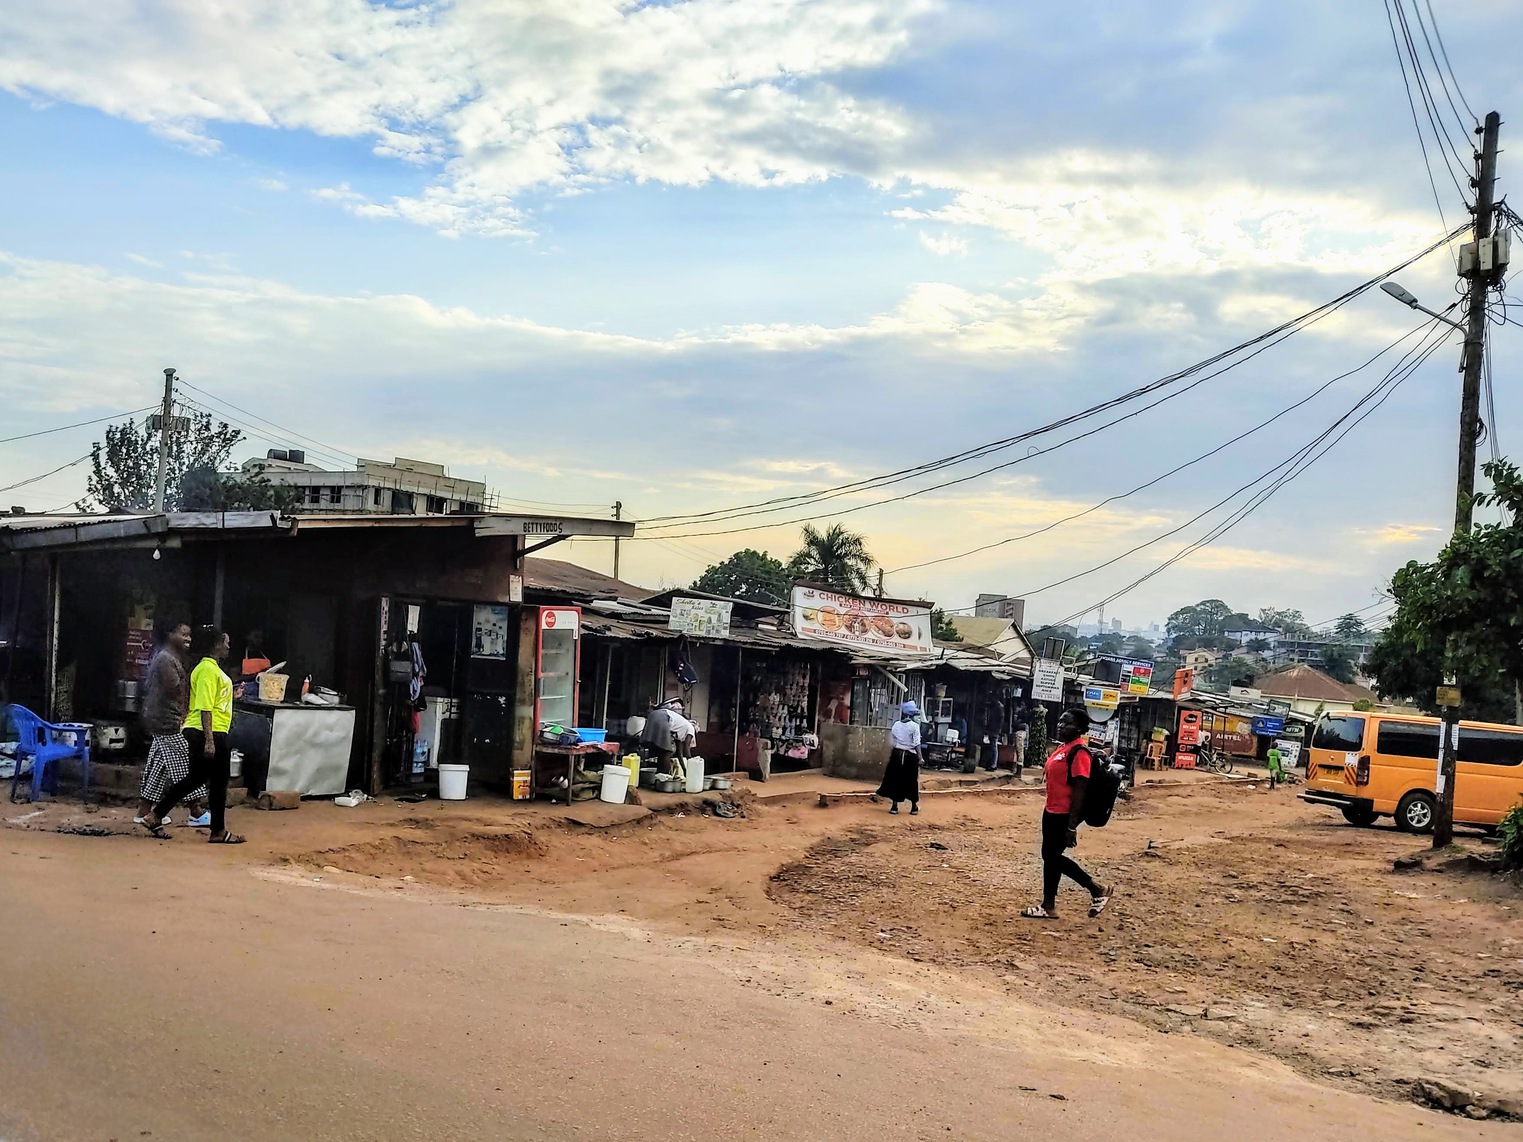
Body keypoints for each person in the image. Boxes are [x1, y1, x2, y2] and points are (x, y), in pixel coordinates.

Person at [144, 626, 244, 844]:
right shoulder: (208, 669)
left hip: (201, 730)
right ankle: (218, 831)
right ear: (216, 645)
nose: (228, 645)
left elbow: (197, 699)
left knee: (195, 779)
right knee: (217, 783)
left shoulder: (205, 668)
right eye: (225, 641)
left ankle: (155, 815)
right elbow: (206, 707)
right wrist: (210, 740)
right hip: (209, 731)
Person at [1022, 706, 1112, 920]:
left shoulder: (1079, 751)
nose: (1061, 726)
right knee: (1050, 857)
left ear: (1080, 728)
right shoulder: (1064, 747)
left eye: (1068, 723)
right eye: (1061, 721)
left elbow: (1080, 788)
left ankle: (1096, 889)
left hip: (1064, 814)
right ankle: (1048, 905)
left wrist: (1072, 825)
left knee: (1051, 856)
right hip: (1051, 810)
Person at [134, 618, 209, 830]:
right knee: (184, 762)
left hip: (160, 717)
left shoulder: (168, 656)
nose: (188, 639)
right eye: (183, 634)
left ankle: (143, 810)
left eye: (189, 635)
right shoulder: (166, 659)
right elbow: (175, 690)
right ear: (170, 634)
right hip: (166, 719)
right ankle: (195, 810)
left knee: (159, 763)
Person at [876, 700, 923, 815]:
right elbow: (917, 743)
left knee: (895, 779)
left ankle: (894, 806)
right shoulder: (915, 726)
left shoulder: (896, 725)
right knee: (911, 781)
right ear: (912, 715)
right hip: (910, 756)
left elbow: (892, 741)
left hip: (896, 754)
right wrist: (920, 757)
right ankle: (913, 807)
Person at [642, 698, 697, 775]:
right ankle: (665, 776)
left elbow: (679, 754)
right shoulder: (691, 729)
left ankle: (659, 775)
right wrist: (692, 764)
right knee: (667, 751)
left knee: (662, 751)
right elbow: (686, 751)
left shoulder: (681, 729)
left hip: (653, 715)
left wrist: (685, 770)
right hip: (663, 717)